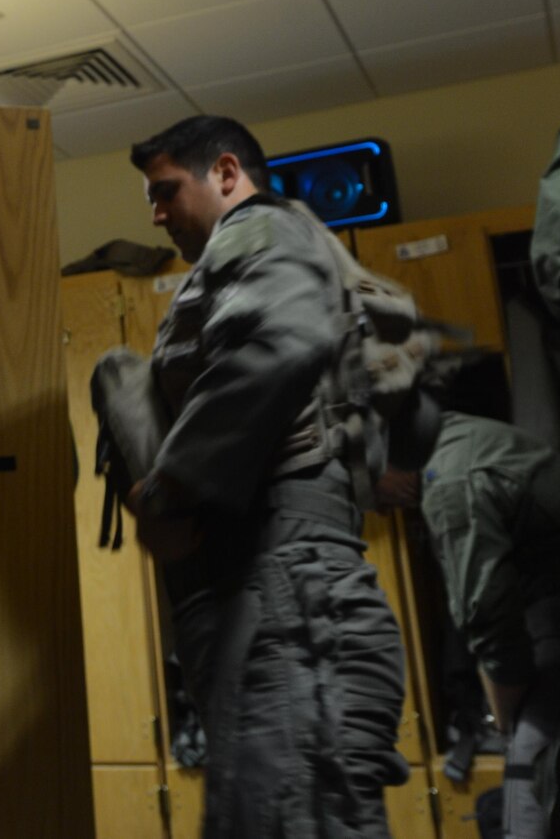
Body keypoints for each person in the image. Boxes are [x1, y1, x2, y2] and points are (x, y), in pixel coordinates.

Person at [123, 115, 410, 839]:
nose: (156, 215)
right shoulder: (294, 248)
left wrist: (169, 487)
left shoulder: (259, 228)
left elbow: (282, 339)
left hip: (292, 596)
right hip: (291, 592)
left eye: (165, 192)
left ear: (225, 173)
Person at [381, 388, 560, 839]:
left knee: (541, 818)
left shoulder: (451, 483)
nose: (384, 502)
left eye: (375, 485)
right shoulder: (457, 437)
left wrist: (502, 713)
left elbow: (492, 624)